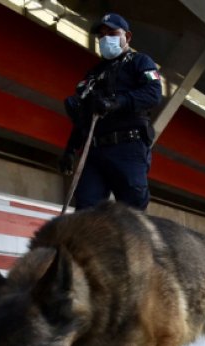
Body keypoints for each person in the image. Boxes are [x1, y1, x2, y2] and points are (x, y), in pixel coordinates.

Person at [59, 13, 162, 211]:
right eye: (101, 36)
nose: (106, 39)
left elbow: (153, 93)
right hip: (95, 151)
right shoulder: (94, 74)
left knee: (132, 212)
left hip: (128, 148)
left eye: (112, 33)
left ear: (128, 37)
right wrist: (71, 149)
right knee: (86, 211)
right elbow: (84, 118)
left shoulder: (140, 62)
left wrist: (116, 103)